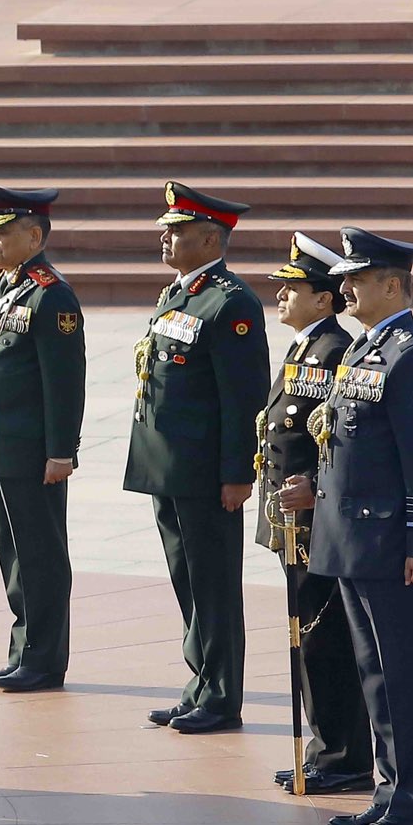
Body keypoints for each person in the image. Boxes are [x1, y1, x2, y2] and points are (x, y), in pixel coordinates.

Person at [281, 228, 413, 825]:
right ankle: (388, 793)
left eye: (356, 278)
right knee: (374, 674)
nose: (344, 286)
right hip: (353, 539)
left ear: (391, 284)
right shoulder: (362, 350)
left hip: (396, 545)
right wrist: (313, 487)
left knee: (404, 674)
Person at [127, 182, 270, 734]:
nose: (166, 238)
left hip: (208, 474)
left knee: (213, 584)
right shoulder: (178, 294)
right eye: (166, 229)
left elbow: (243, 399)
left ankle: (222, 695)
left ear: (211, 237)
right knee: (186, 579)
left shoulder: (231, 302)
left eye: (178, 230)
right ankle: (200, 683)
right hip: (170, 468)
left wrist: (239, 473)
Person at [258, 233, 371, 795]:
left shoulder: (332, 352)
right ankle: (326, 750)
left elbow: (344, 444)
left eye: (293, 287)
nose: (281, 294)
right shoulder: (305, 348)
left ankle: (345, 757)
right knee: (307, 637)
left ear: (324, 299)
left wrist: (318, 490)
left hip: (316, 521)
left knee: (326, 642)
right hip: (292, 524)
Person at [0, 185, 87, 693]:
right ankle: (23, 648)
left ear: (34, 235)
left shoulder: (51, 293)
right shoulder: (2, 286)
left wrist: (62, 450)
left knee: (39, 553)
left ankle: (44, 657)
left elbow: (64, 380)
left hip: (33, 451)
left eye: (3, 232)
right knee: (11, 552)